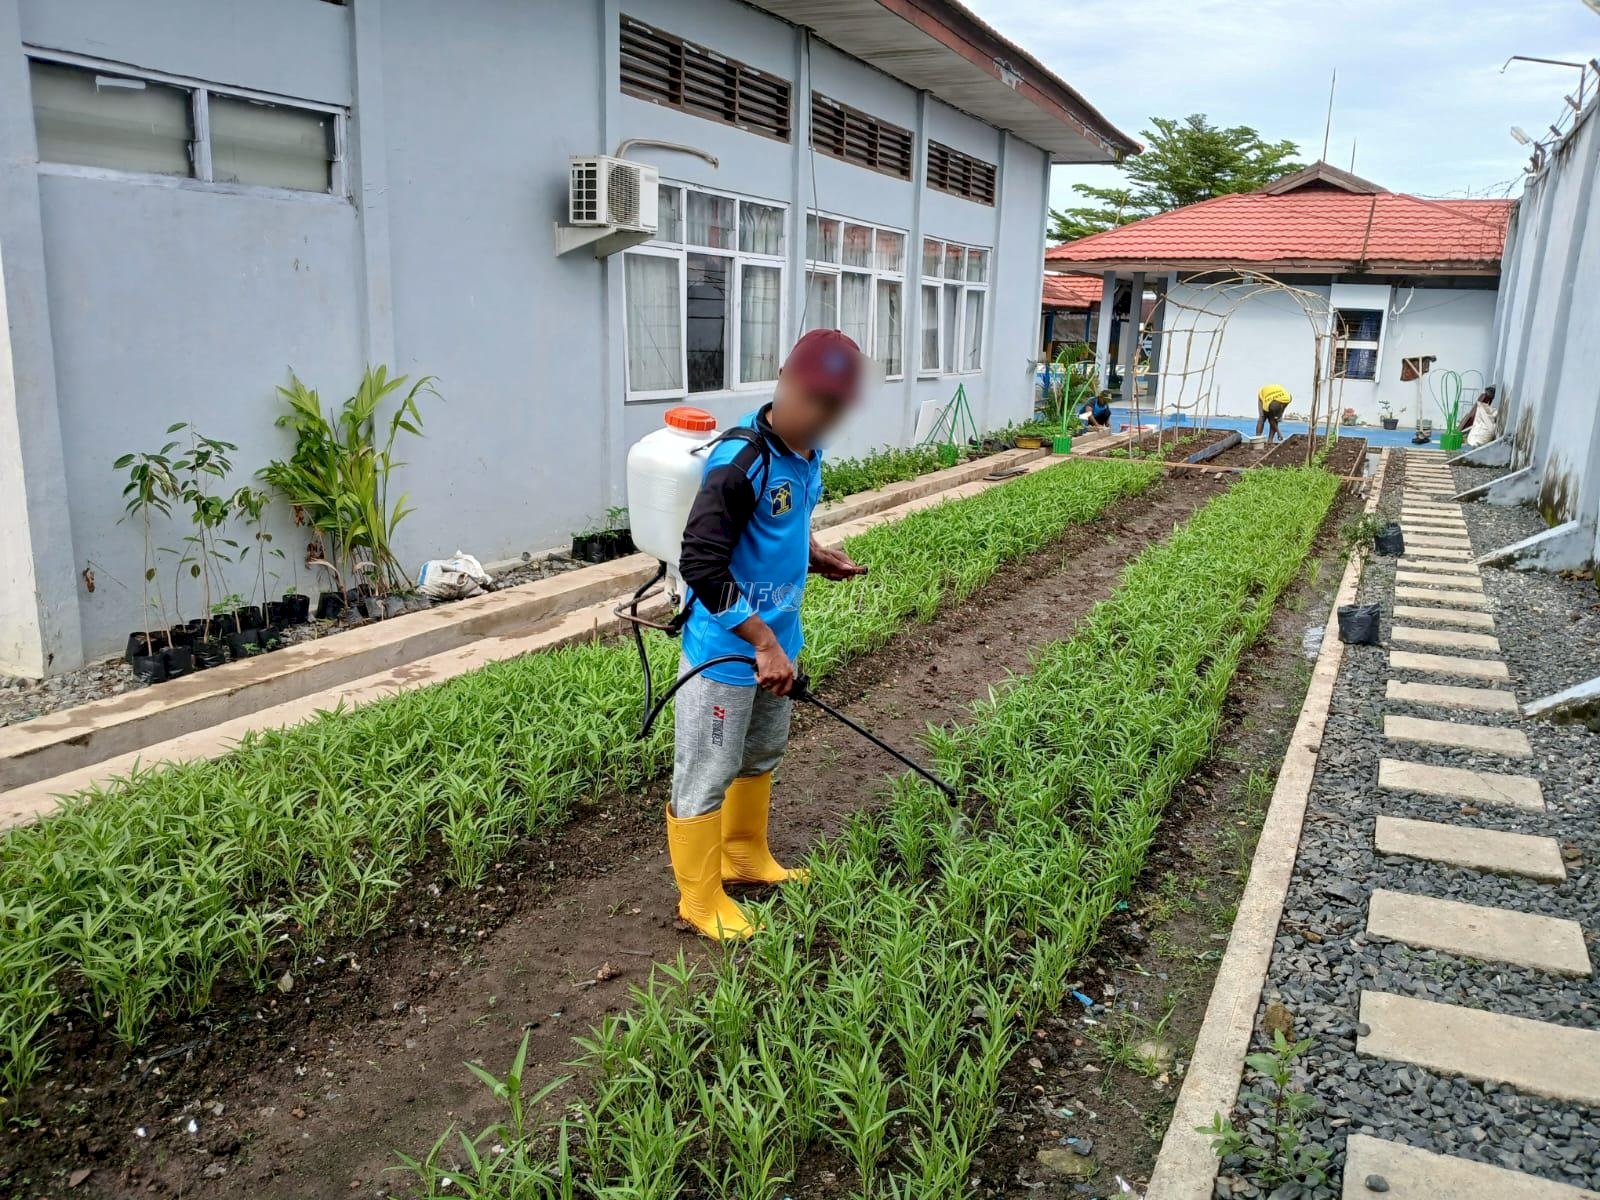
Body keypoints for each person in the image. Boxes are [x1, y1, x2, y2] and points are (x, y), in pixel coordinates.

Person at [668, 329, 869, 940]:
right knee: (708, 769)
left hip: (776, 643)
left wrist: (813, 554)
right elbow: (700, 563)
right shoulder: (740, 463)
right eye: (812, 397)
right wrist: (761, 643)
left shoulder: (807, 457)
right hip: (728, 653)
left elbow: (782, 529)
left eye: (835, 405)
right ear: (782, 378)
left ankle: (745, 856)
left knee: (758, 755)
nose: (821, 414)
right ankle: (699, 899)